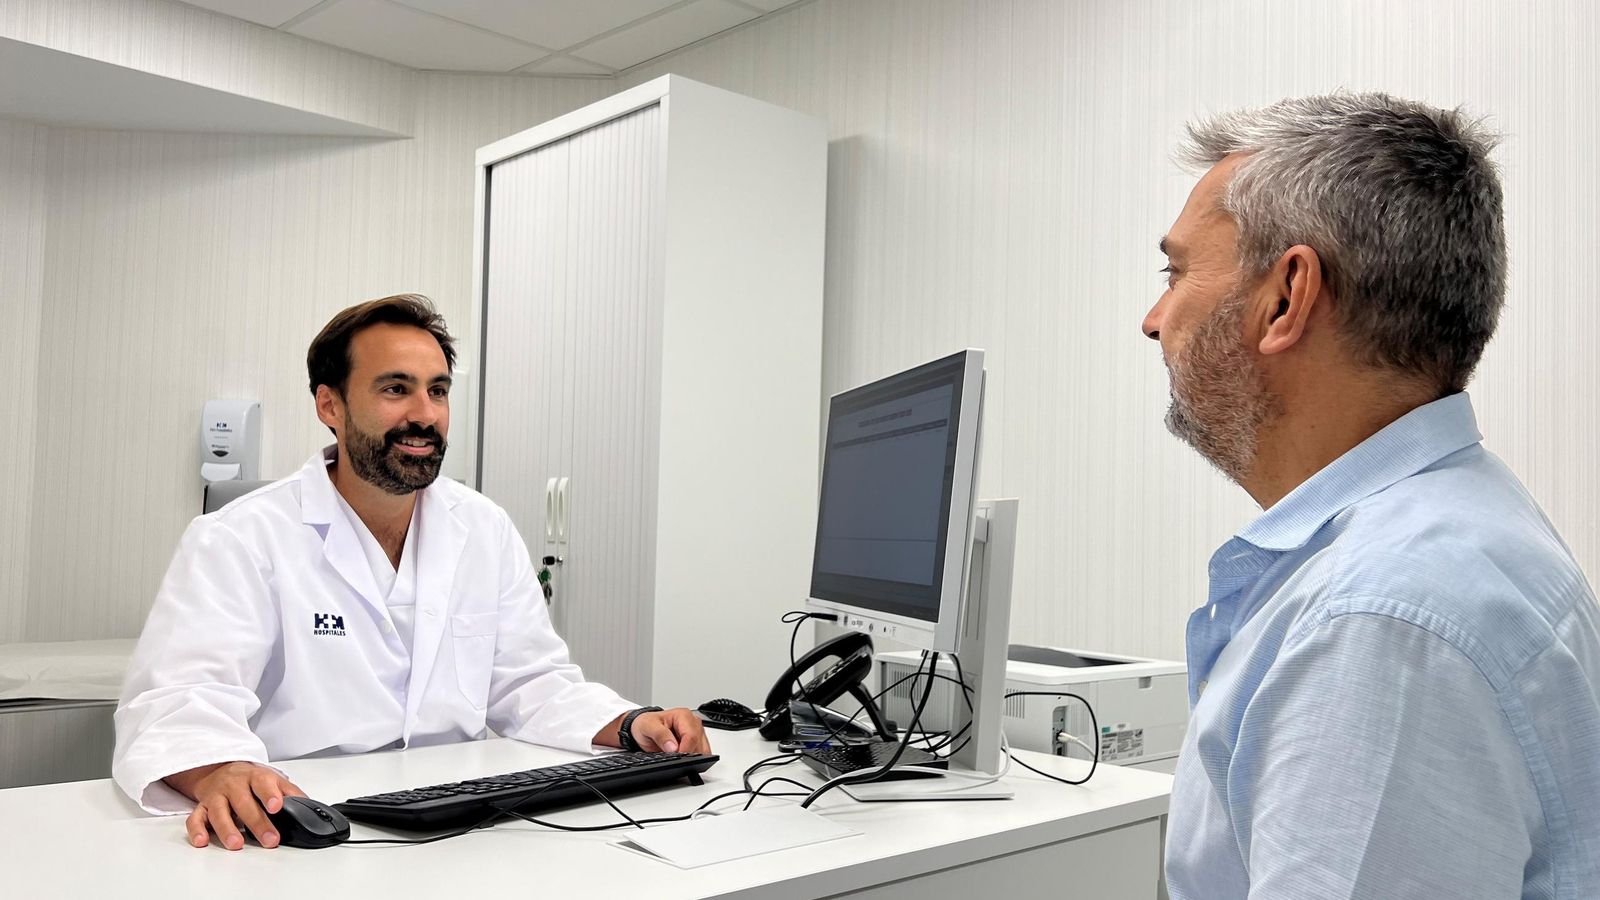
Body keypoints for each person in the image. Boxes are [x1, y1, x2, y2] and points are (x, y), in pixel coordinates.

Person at [1143, 93, 1600, 898]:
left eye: (1176, 272)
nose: (1154, 320)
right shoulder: (1449, 526)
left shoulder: (1382, 618)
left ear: (1286, 298)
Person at [114, 294, 708, 851]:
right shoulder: (241, 537)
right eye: (396, 389)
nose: (424, 415)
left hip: (462, 824)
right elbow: (180, 699)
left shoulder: (483, 526)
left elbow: (528, 681)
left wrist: (631, 725)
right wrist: (221, 769)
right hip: (308, 827)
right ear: (330, 404)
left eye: (438, 390)